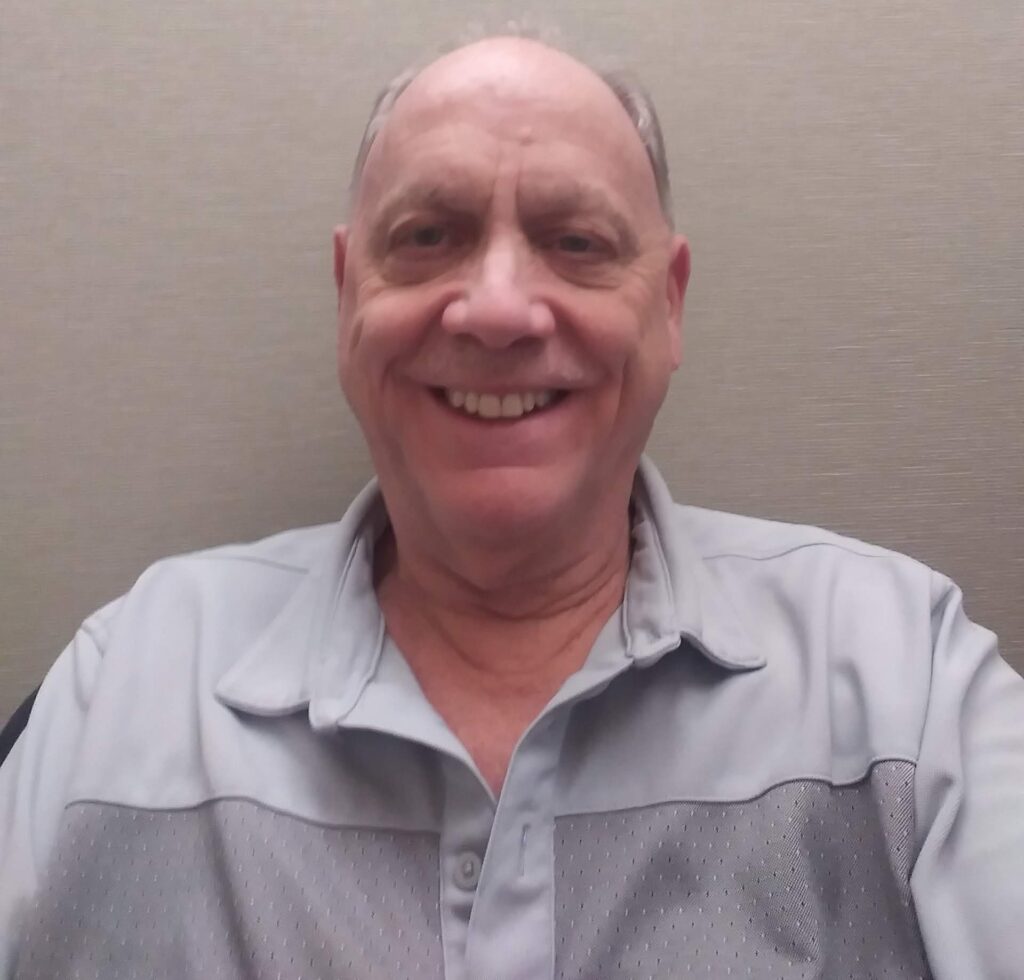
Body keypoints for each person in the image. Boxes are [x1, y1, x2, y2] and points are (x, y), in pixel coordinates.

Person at [1, 34, 1022, 980]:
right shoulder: (120, 684)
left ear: (668, 304)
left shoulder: (907, 681)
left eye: (576, 241)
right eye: (427, 235)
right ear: (348, 292)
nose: (495, 309)